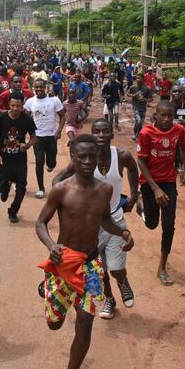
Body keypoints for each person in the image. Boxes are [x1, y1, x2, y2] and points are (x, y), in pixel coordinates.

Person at [35, 135, 134, 369]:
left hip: (90, 265)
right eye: (82, 157)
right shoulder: (61, 189)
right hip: (62, 264)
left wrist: (123, 232)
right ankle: (49, 292)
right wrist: (51, 245)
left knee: (85, 322)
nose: (88, 161)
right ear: (73, 159)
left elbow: (105, 220)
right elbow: (40, 223)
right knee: (54, 324)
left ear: (99, 157)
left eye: (93, 156)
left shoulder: (105, 189)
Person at [53, 119, 140, 319]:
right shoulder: (84, 160)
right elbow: (57, 181)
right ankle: (109, 299)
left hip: (114, 219)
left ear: (111, 134)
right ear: (92, 134)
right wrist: (69, 200)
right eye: (97, 132)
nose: (101, 135)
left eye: (105, 131)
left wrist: (134, 196)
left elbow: (134, 169)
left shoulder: (122, 156)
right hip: (90, 226)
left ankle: (123, 281)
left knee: (116, 268)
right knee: (100, 269)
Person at [137, 101, 185, 286]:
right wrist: (155, 189)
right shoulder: (145, 133)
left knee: (168, 224)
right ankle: (142, 206)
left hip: (168, 182)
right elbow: (141, 162)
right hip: (149, 182)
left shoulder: (179, 130)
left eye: (170, 115)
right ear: (156, 115)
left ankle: (162, 267)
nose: (167, 119)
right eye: (163, 115)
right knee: (152, 224)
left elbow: (184, 149)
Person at [0, 91, 37, 223]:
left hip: (20, 160)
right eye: (13, 106)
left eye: (18, 106)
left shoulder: (27, 119)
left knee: (21, 188)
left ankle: (13, 211)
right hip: (4, 159)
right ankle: (6, 186)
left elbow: (34, 137)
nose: (15, 109)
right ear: (9, 105)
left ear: (22, 105)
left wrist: (27, 146)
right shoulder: (1, 118)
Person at [24, 79, 65, 199]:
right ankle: (41, 188)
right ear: (33, 88)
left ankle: (51, 165)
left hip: (52, 136)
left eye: (41, 87)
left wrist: (59, 131)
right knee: (39, 161)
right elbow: (25, 117)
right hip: (38, 138)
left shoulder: (54, 100)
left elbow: (63, 116)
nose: (39, 89)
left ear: (45, 87)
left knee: (51, 162)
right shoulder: (30, 102)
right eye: (36, 87)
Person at [126, 74, 153, 142]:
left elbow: (151, 99)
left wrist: (145, 100)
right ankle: (135, 134)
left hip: (143, 107)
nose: (137, 80)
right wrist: (133, 95)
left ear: (143, 79)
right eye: (137, 78)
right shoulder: (133, 87)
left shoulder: (147, 88)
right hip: (135, 106)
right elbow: (128, 93)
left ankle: (139, 134)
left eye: (139, 78)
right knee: (138, 120)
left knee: (140, 122)